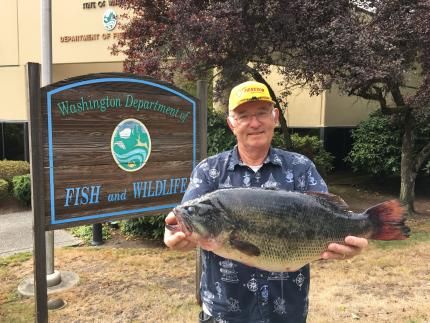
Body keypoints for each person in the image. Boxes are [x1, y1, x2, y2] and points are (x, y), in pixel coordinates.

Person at [164, 81, 368, 323]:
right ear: (231, 123)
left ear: (275, 117)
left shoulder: (300, 167)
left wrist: (354, 234)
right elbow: (186, 221)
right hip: (225, 312)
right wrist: (176, 237)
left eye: (261, 113)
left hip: (286, 311)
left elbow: (329, 217)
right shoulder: (209, 171)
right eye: (243, 115)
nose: (254, 123)